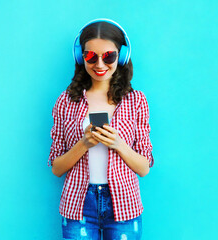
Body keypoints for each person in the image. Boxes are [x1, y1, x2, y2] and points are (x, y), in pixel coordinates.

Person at [48, 18, 154, 240]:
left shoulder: (136, 101)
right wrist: (83, 144)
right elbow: (57, 168)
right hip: (78, 204)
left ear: (121, 56)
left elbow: (144, 168)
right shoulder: (66, 102)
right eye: (90, 56)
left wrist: (118, 144)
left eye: (108, 56)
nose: (99, 64)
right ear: (80, 56)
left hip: (124, 203)